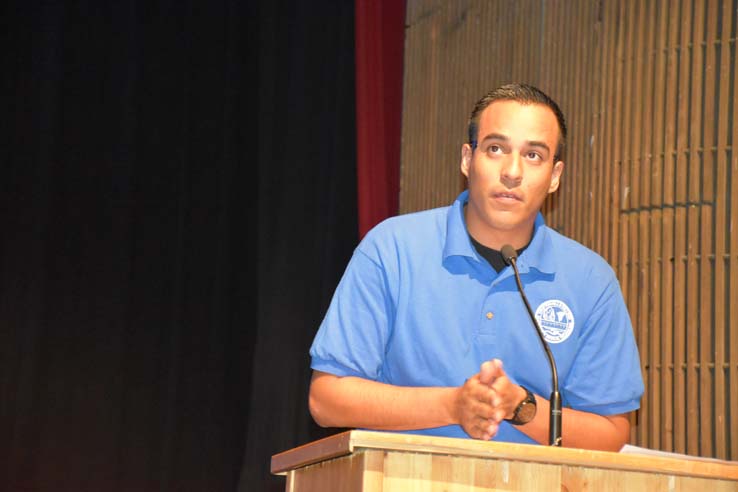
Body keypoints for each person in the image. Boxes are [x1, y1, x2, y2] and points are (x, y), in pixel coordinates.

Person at [308, 83, 644, 451]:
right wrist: (452, 405)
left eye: (534, 155)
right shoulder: (392, 249)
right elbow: (326, 399)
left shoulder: (590, 279)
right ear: (467, 159)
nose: (512, 172)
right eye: (496, 149)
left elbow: (612, 433)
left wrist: (522, 409)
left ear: (555, 175)